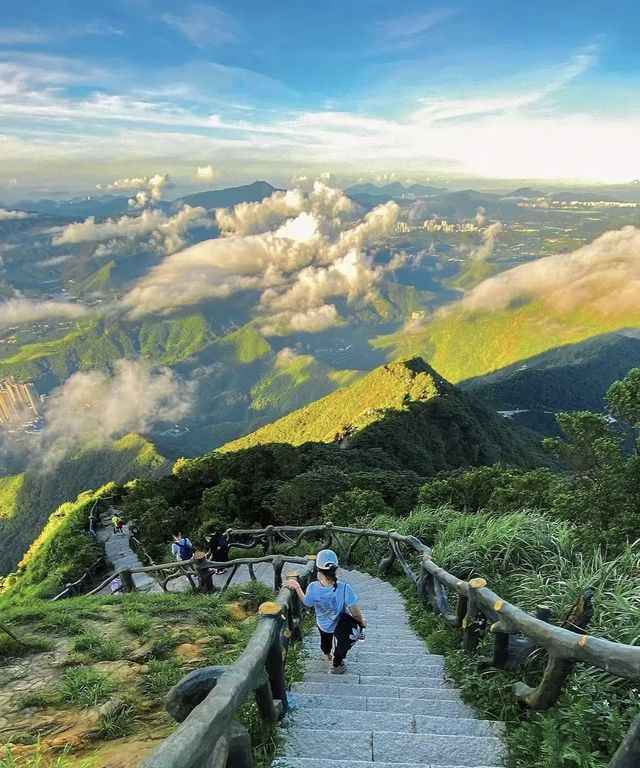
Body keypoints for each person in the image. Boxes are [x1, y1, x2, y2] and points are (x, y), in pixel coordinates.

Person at [284, 549, 366, 675]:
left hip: (323, 624)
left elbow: (307, 602)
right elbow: (355, 613)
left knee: (325, 640)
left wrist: (297, 587)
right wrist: (361, 624)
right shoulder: (345, 588)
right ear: (336, 568)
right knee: (342, 642)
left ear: (318, 570)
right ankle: (337, 664)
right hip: (340, 624)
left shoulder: (313, 587)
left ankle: (326, 654)